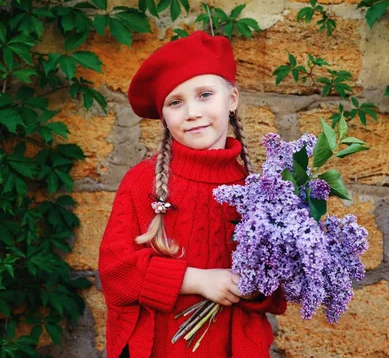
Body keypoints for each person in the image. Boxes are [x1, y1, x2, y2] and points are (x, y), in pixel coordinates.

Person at [98, 30, 287, 358]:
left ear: (231, 99)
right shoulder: (142, 182)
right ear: (164, 115)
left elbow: (278, 290)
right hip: (161, 346)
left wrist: (256, 285)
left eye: (204, 95)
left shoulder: (259, 191)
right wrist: (197, 280)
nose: (192, 113)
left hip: (234, 347)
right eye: (176, 102)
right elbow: (116, 271)